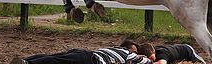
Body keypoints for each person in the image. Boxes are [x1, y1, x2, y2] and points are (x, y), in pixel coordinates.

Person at [10, 43, 152, 64]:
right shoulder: (128, 53)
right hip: (88, 59)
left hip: (85, 55)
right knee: (57, 60)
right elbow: (147, 62)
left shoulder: (114, 50)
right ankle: (27, 62)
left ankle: (26, 60)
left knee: (55, 57)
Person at [138, 42, 206, 64]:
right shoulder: (152, 53)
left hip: (186, 50)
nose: (151, 60)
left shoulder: (162, 54)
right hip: (176, 57)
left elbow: (162, 63)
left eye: (152, 58)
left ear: (154, 51)